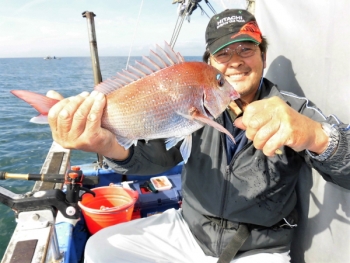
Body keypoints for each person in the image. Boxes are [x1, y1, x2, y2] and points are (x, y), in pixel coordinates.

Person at [47, 9, 350, 263]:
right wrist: (110, 147)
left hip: (259, 246)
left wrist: (315, 136)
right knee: (100, 249)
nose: (235, 61)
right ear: (209, 63)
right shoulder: (193, 100)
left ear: (263, 56)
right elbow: (156, 161)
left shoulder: (293, 109)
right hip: (189, 229)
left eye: (246, 48)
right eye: (223, 53)